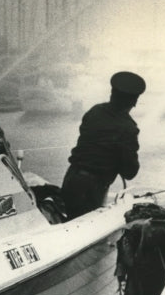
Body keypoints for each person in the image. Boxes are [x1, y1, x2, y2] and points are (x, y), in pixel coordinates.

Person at [60, 71, 146, 219]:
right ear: (134, 101)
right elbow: (130, 172)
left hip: (72, 178)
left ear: (112, 93)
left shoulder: (95, 111)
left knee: (68, 223)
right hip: (92, 188)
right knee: (86, 230)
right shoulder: (128, 128)